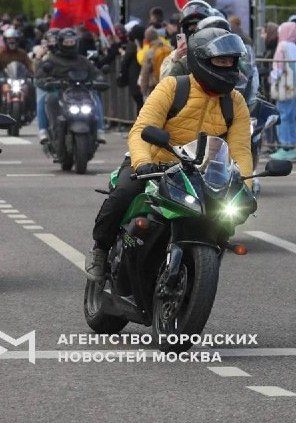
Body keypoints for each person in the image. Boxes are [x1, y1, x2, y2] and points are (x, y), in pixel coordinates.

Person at [86, 27, 252, 280]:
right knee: (124, 193)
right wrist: (143, 163)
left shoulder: (235, 102)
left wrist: (243, 183)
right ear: (201, 60)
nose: (227, 66)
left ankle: (197, 273)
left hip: (200, 174)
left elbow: (240, 148)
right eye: (220, 61)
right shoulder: (173, 87)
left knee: (223, 218)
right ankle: (100, 249)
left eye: (230, 61)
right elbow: (141, 129)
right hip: (155, 164)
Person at [36, 28, 105, 144]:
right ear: (60, 42)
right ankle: (46, 130)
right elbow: (41, 73)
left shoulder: (82, 60)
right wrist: (45, 80)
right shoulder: (52, 59)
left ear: (76, 42)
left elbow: (95, 72)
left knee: (95, 97)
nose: (69, 45)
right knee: (45, 98)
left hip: (80, 92)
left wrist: (99, 79)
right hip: (60, 91)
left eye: (71, 42)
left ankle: (99, 130)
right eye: (66, 42)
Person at [159, 0, 212, 79]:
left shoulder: (218, 53)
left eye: (199, 30)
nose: (196, 35)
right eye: (191, 30)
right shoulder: (174, 56)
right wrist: (176, 60)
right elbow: (164, 81)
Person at [269, 22, 296, 160]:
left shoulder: (282, 46)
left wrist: (271, 79)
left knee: (283, 116)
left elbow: (278, 68)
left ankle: (285, 146)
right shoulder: (293, 46)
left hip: (283, 87)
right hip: (293, 87)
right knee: (291, 118)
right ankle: (292, 146)